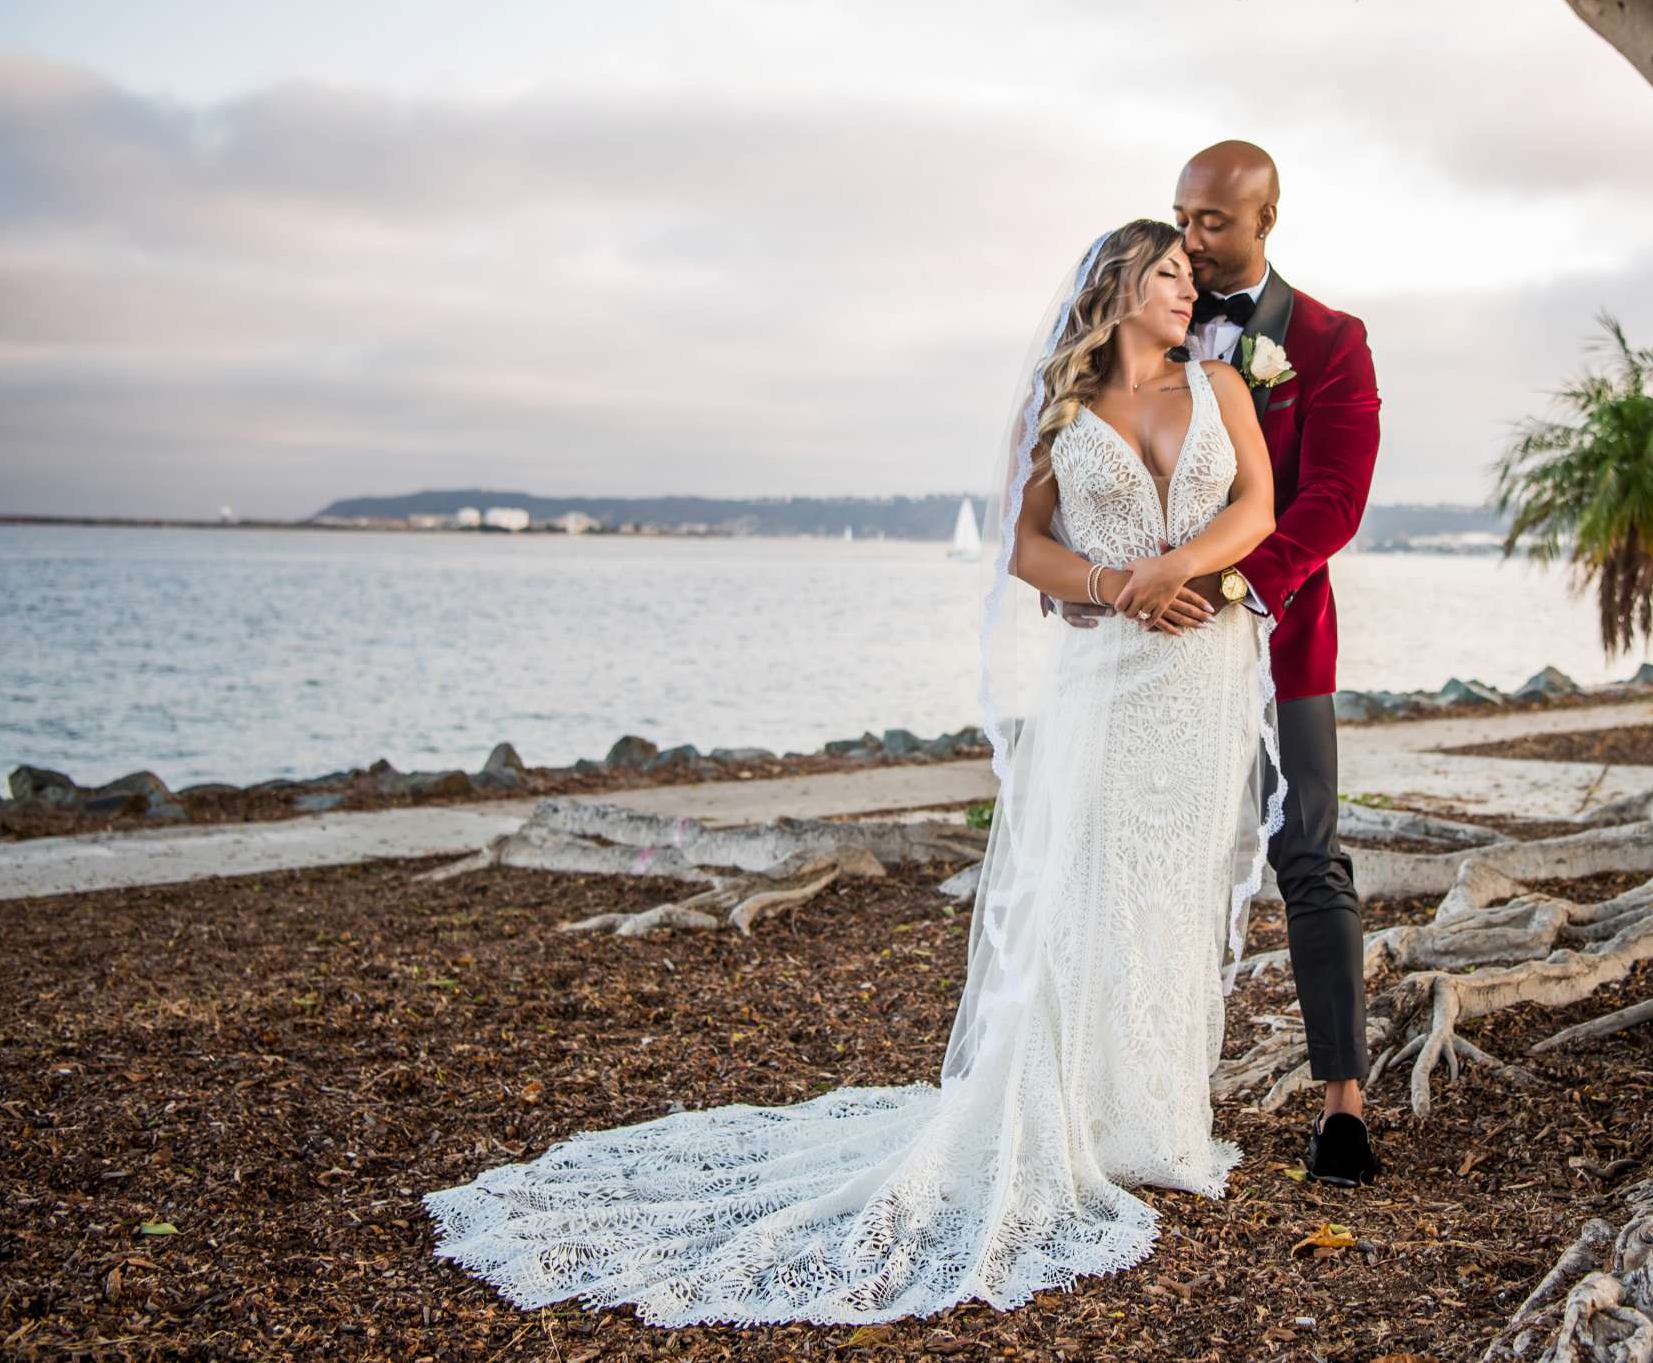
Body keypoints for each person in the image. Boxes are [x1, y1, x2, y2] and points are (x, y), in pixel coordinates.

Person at [424, 219, 1288, 1326]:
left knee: (1171, 889)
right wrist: (1121, 581)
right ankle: (1067, 1115)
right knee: (1088, 888)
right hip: (1107, 679)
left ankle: (1157, 1123)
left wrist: (1179, 569)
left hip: (1202, 673)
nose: (1188, 288)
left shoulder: (1224, 381)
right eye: (1167, 273)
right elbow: (1025, 550)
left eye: (1189, 274)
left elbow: (1256, 510)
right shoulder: (1062, 406)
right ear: (1118, 287)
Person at [1050, 141, 1383, 1188]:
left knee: (1309, 851)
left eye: (1213, 224)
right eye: (1181, 219)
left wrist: (1230, 588)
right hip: (1148, 654)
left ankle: (1343, 1107)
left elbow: (1333, 501)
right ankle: (1113, 1089)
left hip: (1279, 635)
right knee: (1126, 852)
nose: (1190, 240)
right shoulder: (1154, 319)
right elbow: (1085, 458)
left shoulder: (1328, 341)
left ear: (1267, 218)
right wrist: (1096, 580)